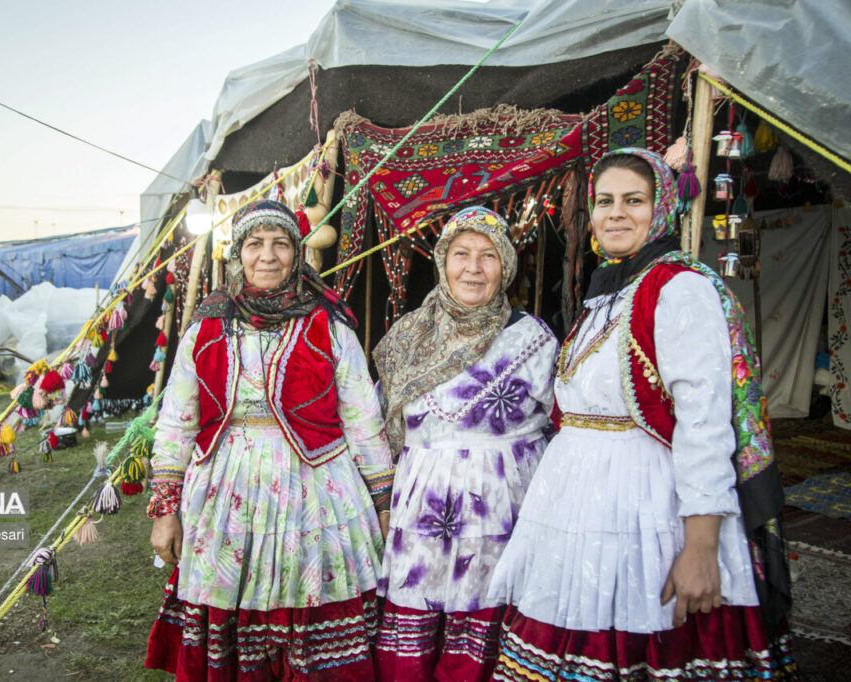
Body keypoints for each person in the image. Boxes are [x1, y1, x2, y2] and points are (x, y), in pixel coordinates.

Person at [488, 147, 797, 680]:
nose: (615, 214)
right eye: (604, 201)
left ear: (661, 208)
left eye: (634, 200)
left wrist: (700, 547)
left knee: (640, 643)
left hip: (644, 509)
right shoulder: (606, 292)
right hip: (578, 506)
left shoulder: (679, 288)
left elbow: (704, 423)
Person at [144, 199, 395, 681]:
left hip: (316, 492)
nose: (268, 256)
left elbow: (364, 420)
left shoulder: (329, 323)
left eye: (281, 244)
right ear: (237, 254)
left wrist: (383, 503)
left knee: (309, 611)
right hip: (226, 493)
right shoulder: (207, 326)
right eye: (255, 244)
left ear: (297, 254)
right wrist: (165, 511)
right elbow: (176, 422)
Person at [371, 206, 557, 681]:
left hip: (504, 508)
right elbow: (373, 423)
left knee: (490, 621)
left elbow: (563, 421)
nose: (473, 268)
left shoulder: (531, 339)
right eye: (461, 254)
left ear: (507, 266)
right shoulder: (407, 338)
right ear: (442, 260)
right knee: (419, 619)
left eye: (489, 256)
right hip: (421, 508)